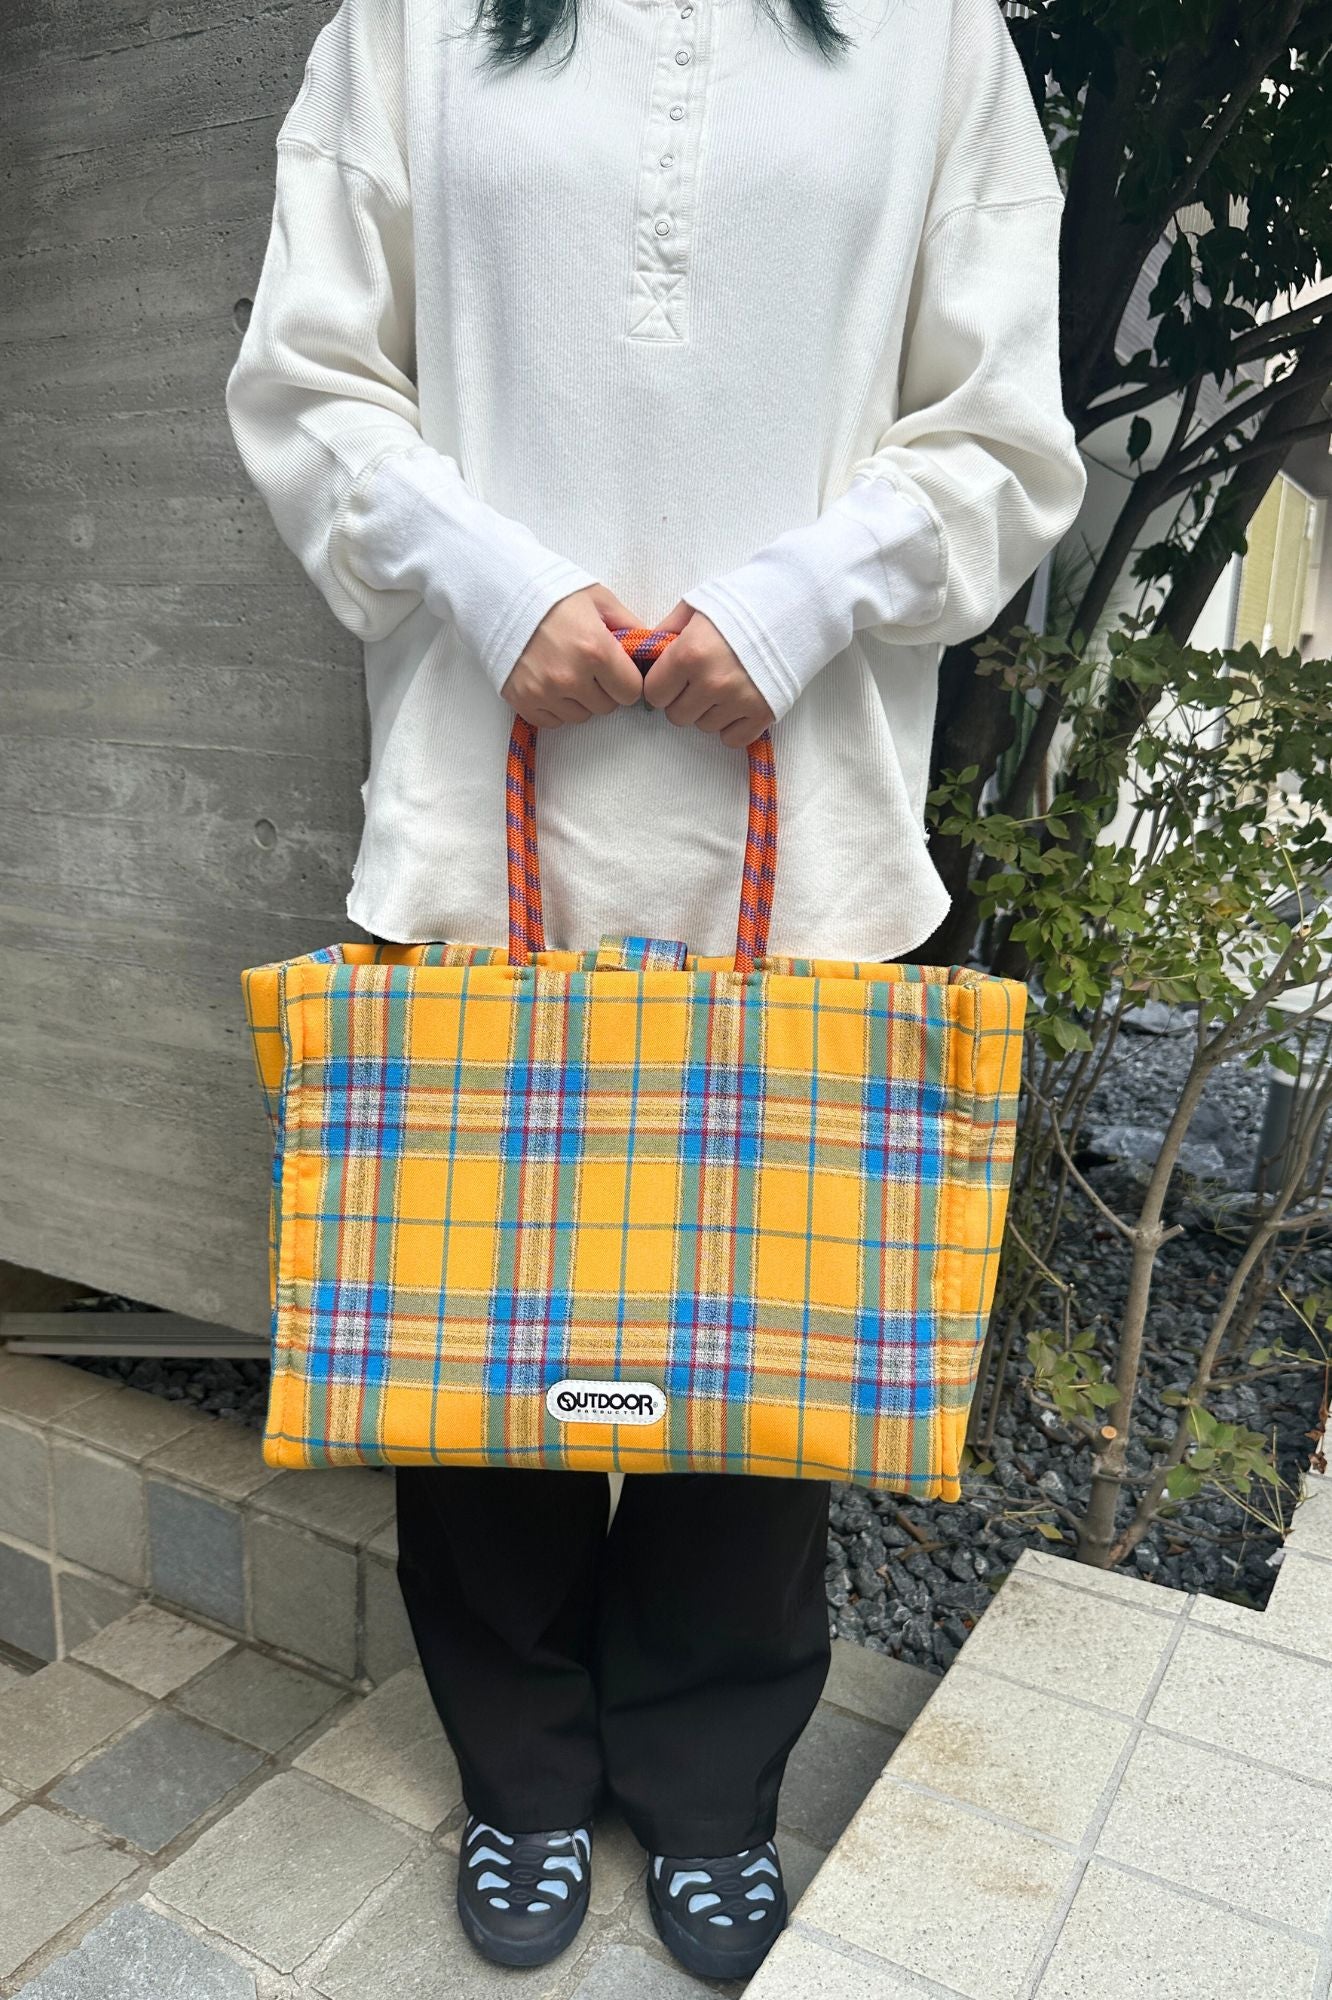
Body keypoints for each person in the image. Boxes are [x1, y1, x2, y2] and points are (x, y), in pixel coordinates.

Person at [224, 0, 1086, 1976]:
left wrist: (799, 600)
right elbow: (312, 370)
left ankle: (708, 1781)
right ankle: (524, 1769)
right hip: (480, 810)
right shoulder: (412, 26)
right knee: (477, 1350)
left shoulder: (933, 38)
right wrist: (490, 580)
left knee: (763, 1376)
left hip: (809, 822)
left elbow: (1000, 426)